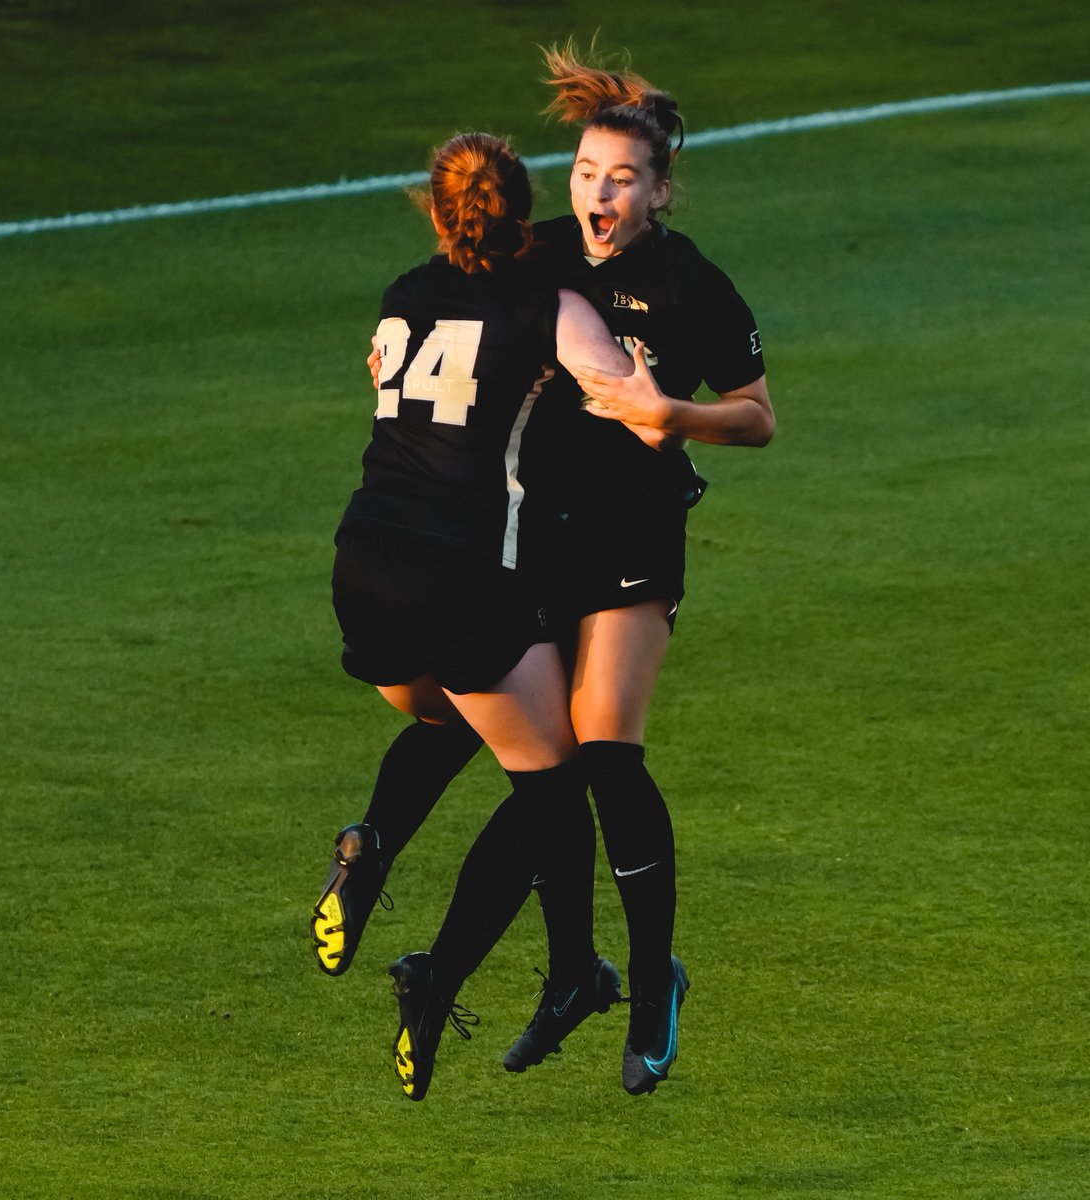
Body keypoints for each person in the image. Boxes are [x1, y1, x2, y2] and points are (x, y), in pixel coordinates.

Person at [317, 41, 776, 1098]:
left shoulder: (692, 283)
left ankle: (649, 981)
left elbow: (758, 416)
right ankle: (462, 967)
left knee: (603, 759)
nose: (598, 195)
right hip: (536, 538)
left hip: (633, 540)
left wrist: (677, 416)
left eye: (621, 179)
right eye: (582, 173)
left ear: (661, 190)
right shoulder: (540, 258)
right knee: (511, 755)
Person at [313, 131, 636, 1102]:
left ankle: (370, 844)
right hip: (456, 575)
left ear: (438, 210)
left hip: (363, 561)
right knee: (555, 782)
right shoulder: (548, 304)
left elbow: (381, 376)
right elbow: (624, 392)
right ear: (525, 204)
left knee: (452, 713)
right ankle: (496, 976)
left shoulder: (404, 293)